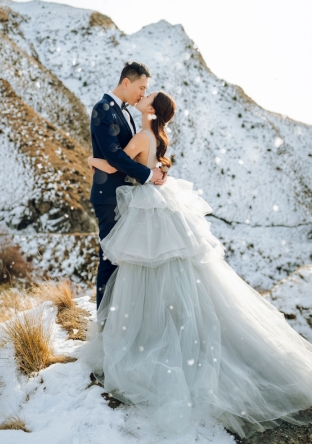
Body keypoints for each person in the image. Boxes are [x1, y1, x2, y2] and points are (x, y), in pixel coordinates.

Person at [80, 89, 312, 439]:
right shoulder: (155, 135)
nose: (143, 96)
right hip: (157, 201)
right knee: (167, 270)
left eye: (148, 96)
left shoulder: (144, 134)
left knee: (147, 268)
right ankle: (167, 326)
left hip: (146, 206)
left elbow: (114, 164)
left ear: (153, 111)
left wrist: (91, 161)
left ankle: (149, 333)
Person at [90, 61, 166, 309]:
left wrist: (94, 161)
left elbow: (120, 157)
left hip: (126, 197)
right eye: (141, 87)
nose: (143, 93)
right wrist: (147, 174)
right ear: (126, 83)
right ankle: (104, 320)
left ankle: (121, 315)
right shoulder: (102, 109)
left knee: (124, 258)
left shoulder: (127, 113)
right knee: (110, 258)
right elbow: (114, 156)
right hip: (109, 197)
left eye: (146, 90)